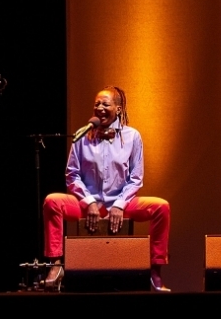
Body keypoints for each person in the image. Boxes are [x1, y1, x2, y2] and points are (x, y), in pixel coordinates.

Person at [42, 86, 171, 292]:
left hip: (121, 204)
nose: (100, 108)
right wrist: (89, 201)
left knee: (161, 207)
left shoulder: (132, 136)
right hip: (87, 204)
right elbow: (72, 175)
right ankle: (56, 265)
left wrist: (119, 204)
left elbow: (136, 178)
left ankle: (154, 272)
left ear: (118, 109)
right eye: (97, 104)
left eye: (105, 104)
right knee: (52, 201)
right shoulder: (82, 136)